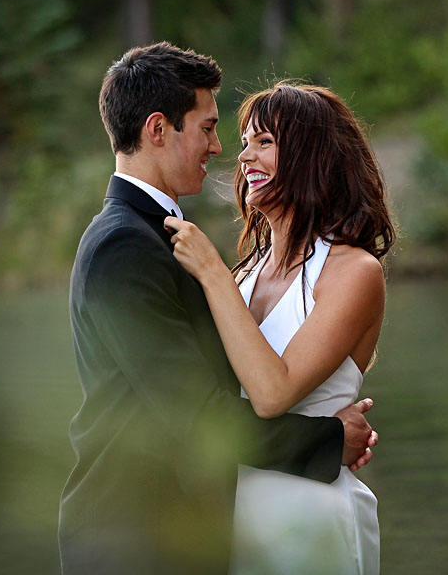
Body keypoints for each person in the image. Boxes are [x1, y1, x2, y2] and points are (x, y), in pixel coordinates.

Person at [59, 43, 378, 575]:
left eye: (261, 141)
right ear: (159, 129)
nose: (223, 148)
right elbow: (198, 413)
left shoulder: (174, 244)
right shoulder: (127, 245)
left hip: (239, 522)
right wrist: (326, 440)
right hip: (136, 538)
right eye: (208, 128)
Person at [164, 81, 395, 574]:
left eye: (264, 142)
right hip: (237, 516)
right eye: (245, 141)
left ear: (313, 156)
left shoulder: (353, 272)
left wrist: (209, 272)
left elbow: (273, 392)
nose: (243, 157)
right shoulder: (245, 273)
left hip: (309, 517)